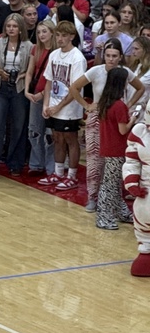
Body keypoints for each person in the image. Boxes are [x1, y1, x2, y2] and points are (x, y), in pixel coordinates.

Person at [60, 39, 142, 208]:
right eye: (108, 55)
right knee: (94, 158)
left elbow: (140, 88)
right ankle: (92, 196)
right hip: (97, 116)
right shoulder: (96, 71)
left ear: (120, 57)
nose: (111, 59)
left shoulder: (125, 72)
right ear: (104, 55)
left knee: (115, 158)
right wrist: (86, 105)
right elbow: (74, 87)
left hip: (117, 117)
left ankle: (113, 196)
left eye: (114, 56)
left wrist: (128, 105)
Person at [0, 12, 32, 176]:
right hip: (0, 87)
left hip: (19, 88)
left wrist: (23, 75)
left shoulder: (28, 46)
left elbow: (31, 70)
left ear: (20, 28)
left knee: (18, 127)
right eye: (8, 26)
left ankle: (15, 164)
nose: (11, 29)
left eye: (15, 26)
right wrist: (0, 72)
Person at [41, 21, 87, 190]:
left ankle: (72, 176)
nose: (60, 39)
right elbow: (48, 81)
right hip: (53, 104)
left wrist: (58, 106)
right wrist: (46, 104)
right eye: (58, 35)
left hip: (69, 107)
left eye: (64, 36)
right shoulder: (53, 55)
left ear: (72, 37)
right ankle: (58, 172)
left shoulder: (77, 58)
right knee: (57, 139)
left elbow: (75, 88)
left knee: (71, 140)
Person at [94, 67, 138, 227]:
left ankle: (121, 212)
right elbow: (123, 130)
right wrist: (132, 119)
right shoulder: (119, 106)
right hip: (117, 150)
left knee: (113, 183)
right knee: (110, 186)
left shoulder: (105, 102)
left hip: (108, 148)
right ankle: (103, 218)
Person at [24, 17, 56, 176]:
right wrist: (26, 91)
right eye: (39, 32)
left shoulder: (57, 52)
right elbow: (30, 71)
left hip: (50, 96)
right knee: (34, 131)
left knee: (50, 134)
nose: (42, 35)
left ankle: (51, 167)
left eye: (45, 31)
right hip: (34, 95)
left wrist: (42, 94)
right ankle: (36, 163)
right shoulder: (35, 49)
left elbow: (54, 79)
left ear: (52, 33)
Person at [121, 103, 150, 274]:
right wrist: (132, 184)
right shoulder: (140, 132)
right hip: (146, 190)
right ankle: (146, 251)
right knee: (143, 220)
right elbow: (131, 161)